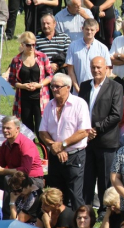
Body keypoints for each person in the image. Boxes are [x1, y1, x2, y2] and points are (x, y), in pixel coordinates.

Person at [39, 73, 91, 210]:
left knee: (75, 195)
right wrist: (54, 147)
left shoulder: (79, 104)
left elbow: (84, 131)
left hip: (74, 156)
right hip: (55, 156)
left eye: (58, 86)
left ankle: (79, 227)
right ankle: (59, 226)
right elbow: (42, 131)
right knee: (56, 194)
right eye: (52, 86)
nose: (54, 89)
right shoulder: (49, 105)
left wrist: (62, 145)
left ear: (68, 87)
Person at [79, 56, 124, 213]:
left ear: (106, 68)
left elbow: (116, 114)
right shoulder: (84, 86)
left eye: (99, 67)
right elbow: (79, 110)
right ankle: (87, 209)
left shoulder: (115, 87)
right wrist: (86, 130)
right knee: (87, 178)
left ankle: (105, 211)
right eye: (93, 67)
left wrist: (96, 129)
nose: (96, 70)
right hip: (86, 140)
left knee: (106, 178)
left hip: (106, 141)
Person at [0, 116, 43, 218]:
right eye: (3, 128)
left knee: (8, 179)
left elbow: (25, 171)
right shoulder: (5, 144)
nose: (5, 131)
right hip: (15, 177)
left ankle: (7, 215)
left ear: (17, 129)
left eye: (8, 128)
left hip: (33, 180)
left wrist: (2, 171)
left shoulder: (26, 144)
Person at [65, 18, 111, 96]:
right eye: (87, 29)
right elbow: (70, 71)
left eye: (92, 30)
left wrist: (100, 89)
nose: (89, 32)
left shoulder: (102, 48)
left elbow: (107, 70)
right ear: (82, 29)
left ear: (97, 30)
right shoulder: (73, 46)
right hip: (78, 91)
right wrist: (77, 89)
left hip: (97, 91)